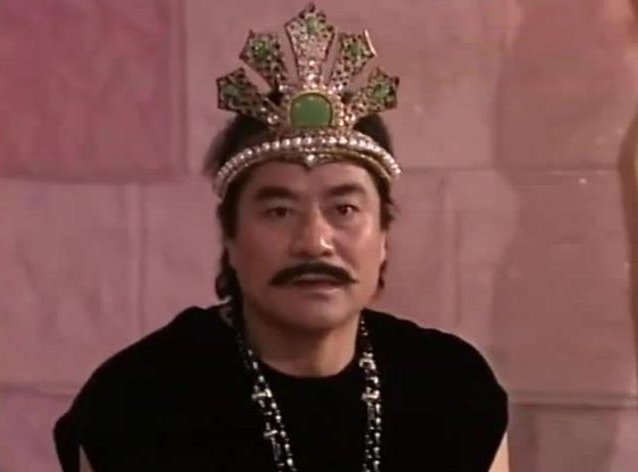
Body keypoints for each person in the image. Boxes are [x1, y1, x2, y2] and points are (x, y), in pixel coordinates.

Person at [54, 4, 507, 471]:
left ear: (384, 235)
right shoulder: (136, 404)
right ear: (230, 238)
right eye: (279, 211)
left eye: (344, 209)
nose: (314, 242)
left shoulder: (454, 391)